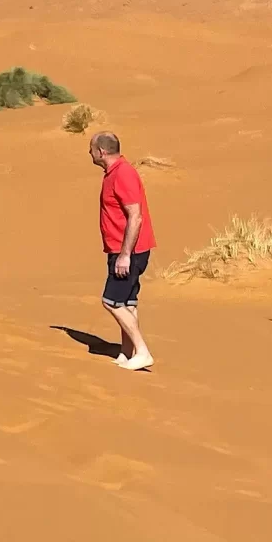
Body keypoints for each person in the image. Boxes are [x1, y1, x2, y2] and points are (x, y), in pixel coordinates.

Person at [89, 131, 156, 370]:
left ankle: (142, 351)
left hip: (128, 251)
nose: (89, 153)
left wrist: (125, 255)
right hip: (123, 249)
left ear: (101, 152)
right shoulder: (114, 173)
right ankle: (127, 353)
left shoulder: (123, 174)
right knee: (128, 302)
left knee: (111, 301)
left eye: (91, 149)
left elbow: (135, 216)